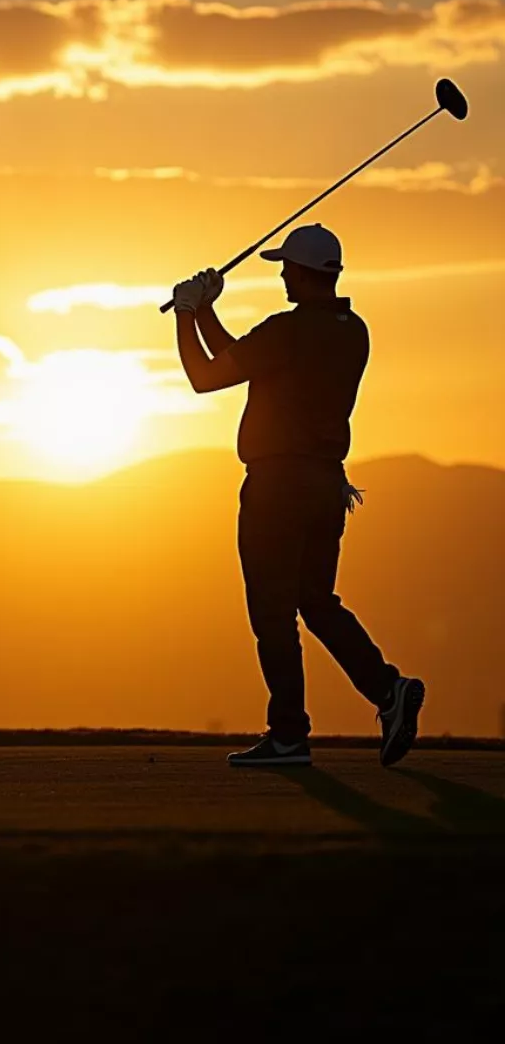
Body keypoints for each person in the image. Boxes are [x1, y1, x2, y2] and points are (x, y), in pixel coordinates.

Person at [171, 224, 424, 767]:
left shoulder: (287, 330)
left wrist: (189, 312)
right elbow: (246, 359)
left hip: (278, 487)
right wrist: (208, 310)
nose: (283, 273)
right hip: (325, 485)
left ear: (306, 274)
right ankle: (387, 690)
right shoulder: (352, 330)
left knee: (273, 611)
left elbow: (207, 376)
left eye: (288, 267)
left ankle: (288, 736)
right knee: (314, 600)